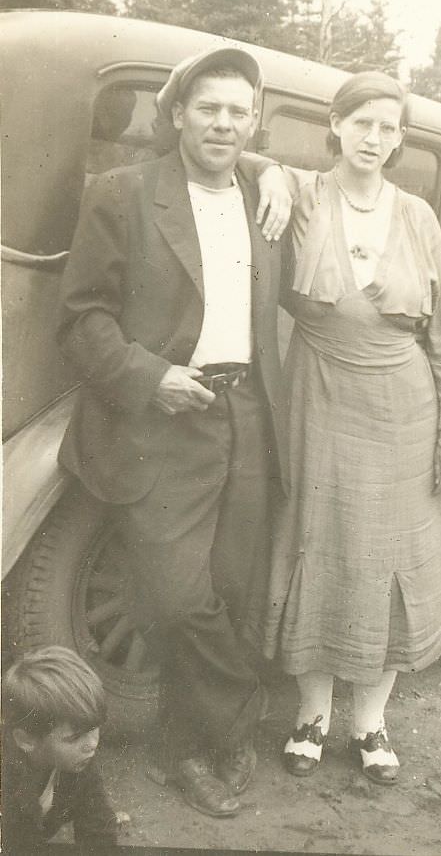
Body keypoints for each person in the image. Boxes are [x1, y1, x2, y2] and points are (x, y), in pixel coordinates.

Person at [56, 45, 291, 818]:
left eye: (239, 112)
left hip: (246, 415)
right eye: (210, 107)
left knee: (229, 586)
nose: (224, 123)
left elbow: (352, 182)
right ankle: (237, 721)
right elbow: (82, 318)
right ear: (180, 112)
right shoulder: (123, 194)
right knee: (182, 596)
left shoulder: (263, 188)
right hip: (159, 421)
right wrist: (151, 378)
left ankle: (182, 748)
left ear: (254, 125)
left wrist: (284, 173)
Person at [251, 71, 441, 786]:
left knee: (390, 563)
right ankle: (311, 716)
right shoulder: (305, 194)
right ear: (336, 125)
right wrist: (274, 173)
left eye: (388, 127)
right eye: (362, 123)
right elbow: (237, 162)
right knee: (322, 549)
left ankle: (370, 723)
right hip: (318, 398)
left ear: (399, 138)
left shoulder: (418, 217)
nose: (374, 138)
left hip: (406, 414)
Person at [2, 645, 119, 851]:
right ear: (26, 740)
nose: (92, 744)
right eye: (74, 738)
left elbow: (99, 831)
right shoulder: (7, 782)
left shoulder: (79, 760)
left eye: (94, 729)